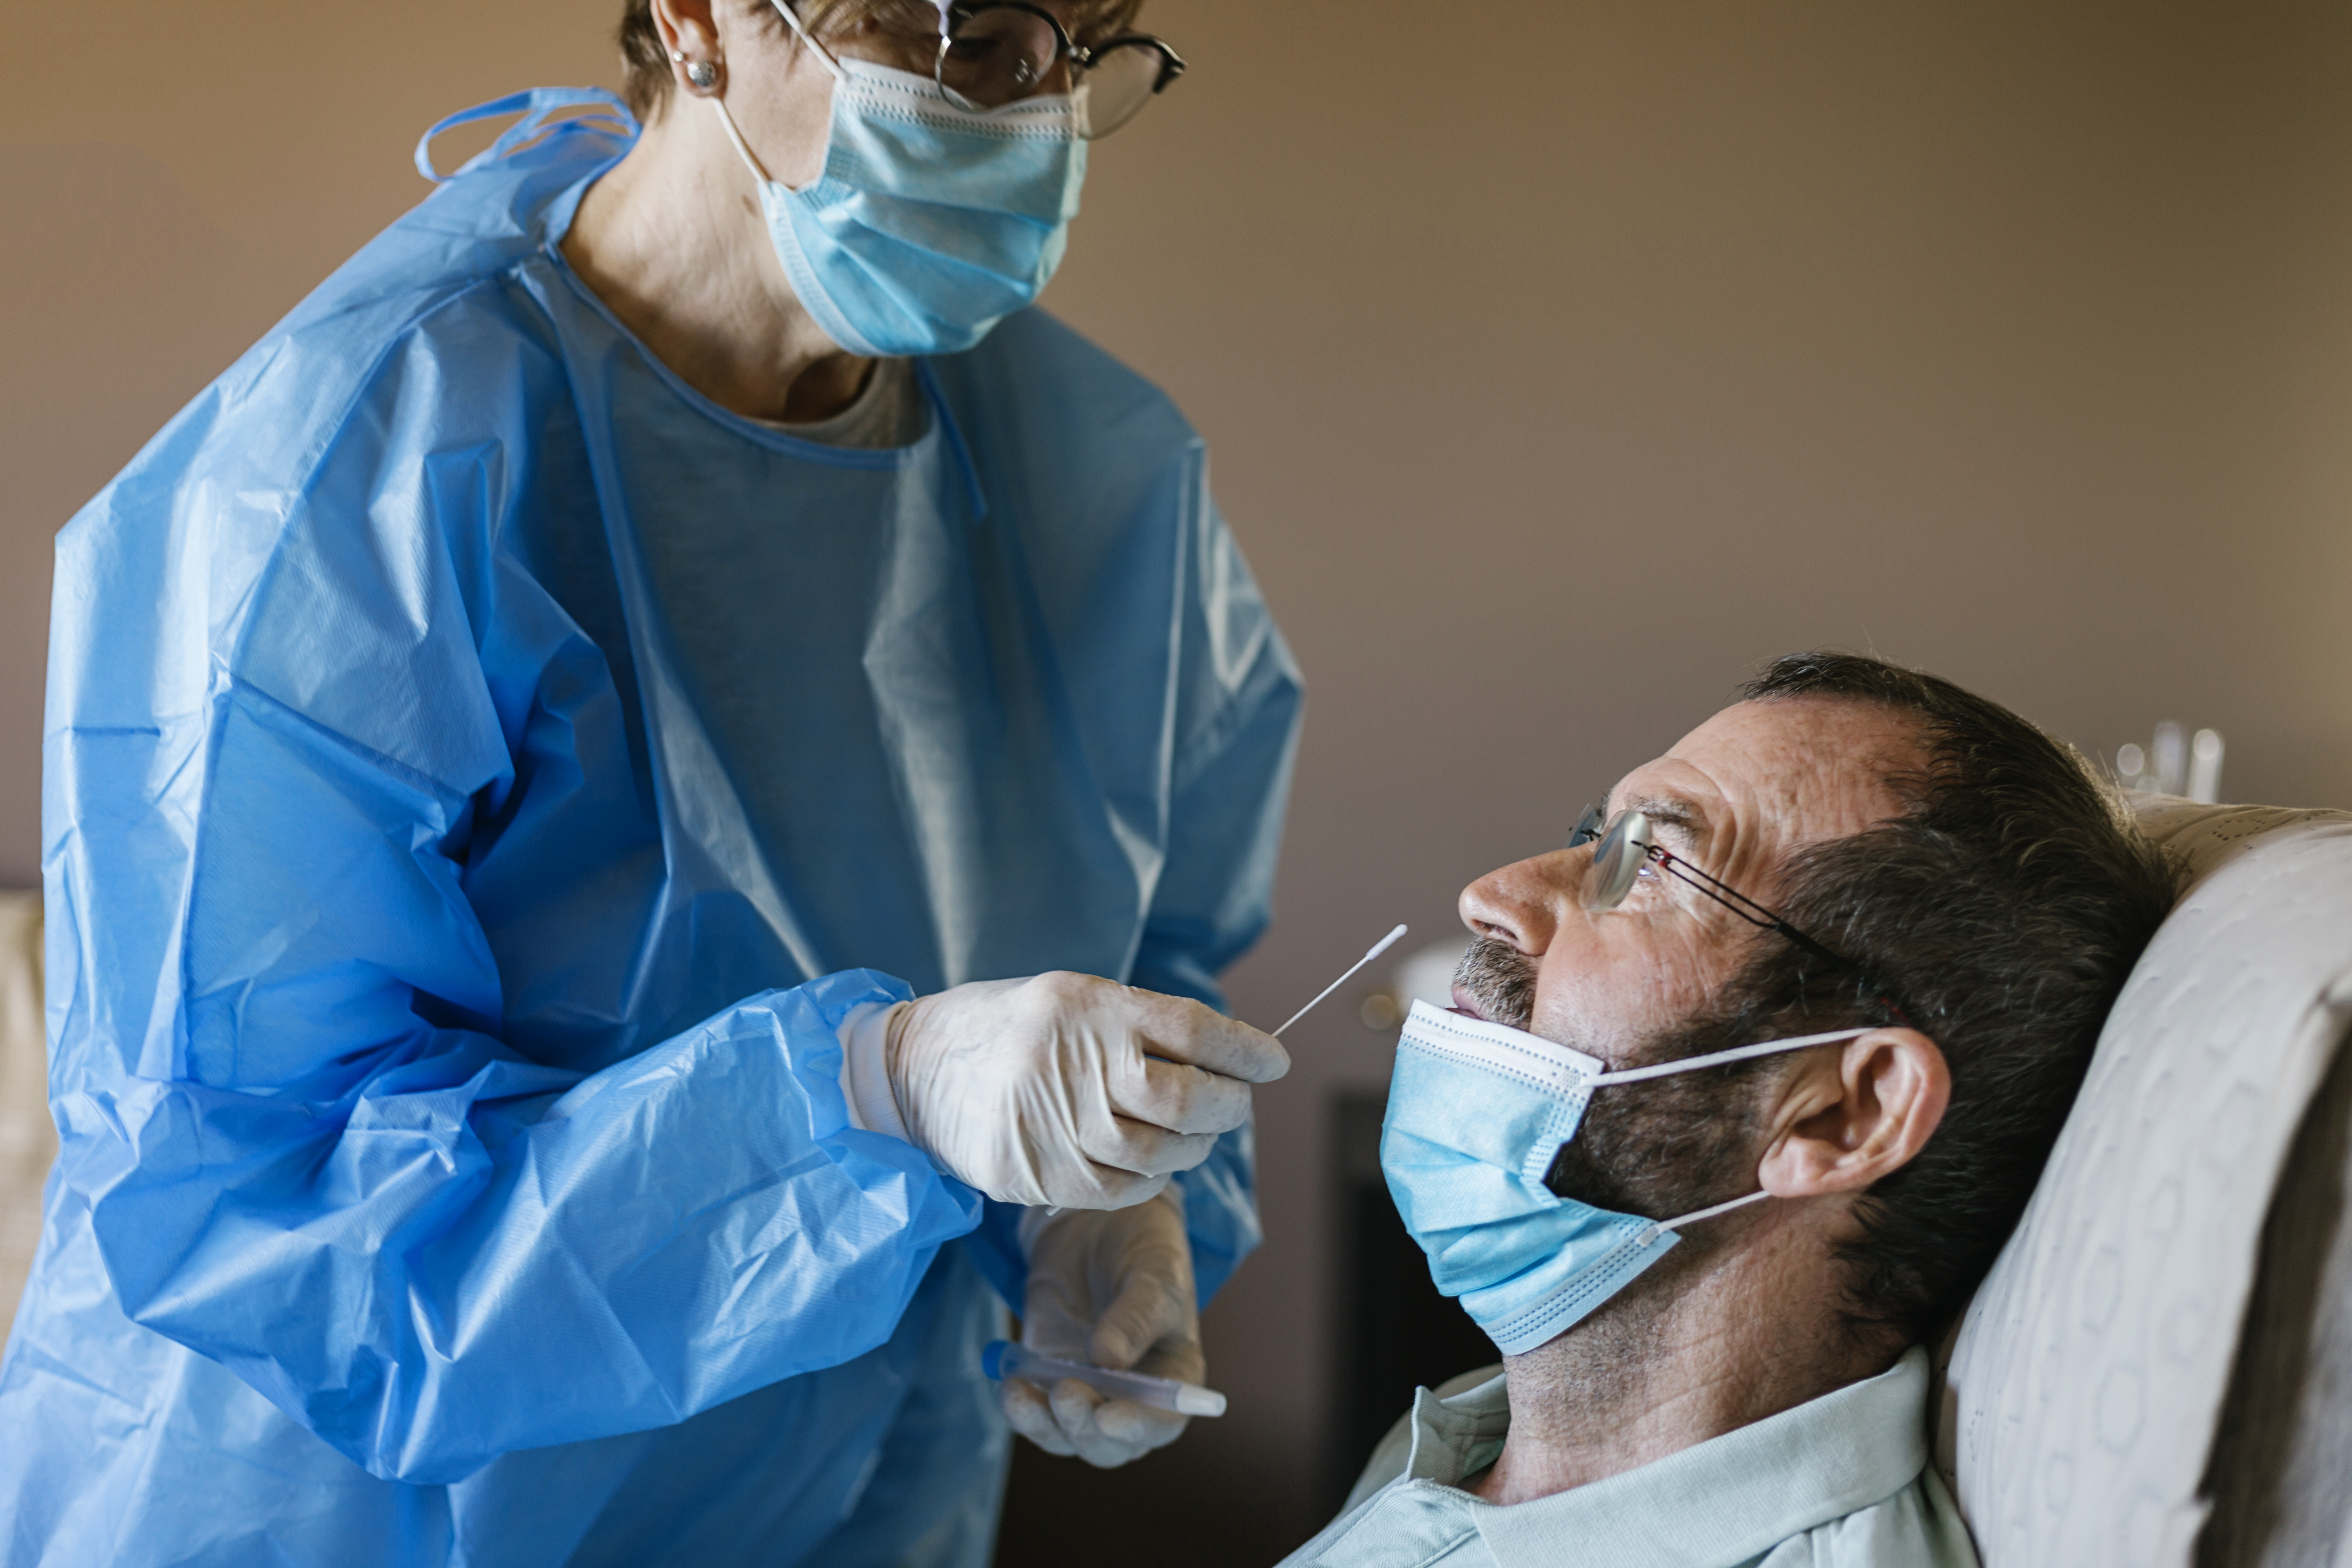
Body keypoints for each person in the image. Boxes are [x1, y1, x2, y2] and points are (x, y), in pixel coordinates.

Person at [0, 2, 1303, 1565]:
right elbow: (281, 1221)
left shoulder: (1093, 481)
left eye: (1078, 49)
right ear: (697, 17)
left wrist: (1106, 1201)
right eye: (957, 26)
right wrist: (865, 1096)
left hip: (853, 1512)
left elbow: (1155, 944)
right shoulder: (354, 481)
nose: (1028, 108)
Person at [1285, 653, 2179, 1567]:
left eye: (1648, 864)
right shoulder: (1449, 1445)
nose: (1491, 898)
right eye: (1600, 841)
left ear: (1844, 1115)